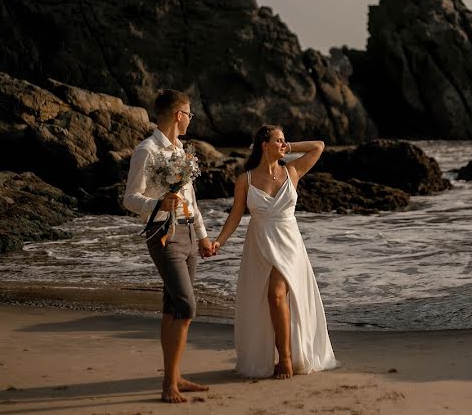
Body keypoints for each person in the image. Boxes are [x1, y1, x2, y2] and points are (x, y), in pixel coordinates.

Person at [211, 125, 338, 379]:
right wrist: (218, 242)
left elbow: (319, 146)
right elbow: (235, 216)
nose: (283, 144)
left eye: (284, 141)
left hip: (289, 244)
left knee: (276, 295)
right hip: (259, 244)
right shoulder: (245, 180)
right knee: (266, 301)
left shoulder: (292, 171)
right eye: (278, 141)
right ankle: (276, 356)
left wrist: (288, 147)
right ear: (263, 145)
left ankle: (287, 359)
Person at [123, 89, 213, 403]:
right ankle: (168, 386)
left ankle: (173, 378)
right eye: (189, 113)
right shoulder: (146, 150)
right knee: (187, 306)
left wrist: (202, 235)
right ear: (178, 114)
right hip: (163, 233)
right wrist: (158, 203)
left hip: (189, 234)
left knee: (173, 307)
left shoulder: (181, 151)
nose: (190, 118)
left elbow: (191, 200)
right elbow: (130, 198)